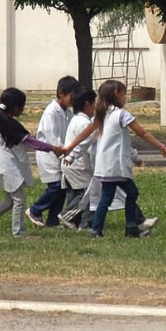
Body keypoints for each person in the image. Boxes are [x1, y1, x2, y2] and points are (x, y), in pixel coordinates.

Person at [61, 79, 166, 238]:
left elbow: (85, 136)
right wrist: (162, 147)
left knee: (116, 196)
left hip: (105, 166)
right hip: (115, 166)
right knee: (122, 194)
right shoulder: (121, 114)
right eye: (124, 94)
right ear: (117, 94)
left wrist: (70, 149)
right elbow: (141, 132)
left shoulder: (102, 115)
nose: (125, 97)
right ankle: (122, 228)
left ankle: (111, 228)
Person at [0, 88, 58, 237]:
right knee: (19, 199)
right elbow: (32, 142)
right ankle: (18, 233)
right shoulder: (9, 124)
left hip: (5, 166)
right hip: (8, 167)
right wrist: (53, 148)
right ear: (16, 108)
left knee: (10, 201)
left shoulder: (1, 122)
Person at [27, 76, 80, 228]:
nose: (72, 100)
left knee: (62, 189)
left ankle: (53, 220)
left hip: (62, 154)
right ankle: (35, 210)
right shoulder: (51, 112)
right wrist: (65, 150)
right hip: (49, 155)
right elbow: (51, 136)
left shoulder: (68, 114)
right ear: (62, 94)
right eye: (71, 96)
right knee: (56, 186)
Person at [57, 86, 98, 229]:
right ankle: (73, 217)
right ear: (88, 104)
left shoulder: (75, 119)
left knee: (74, 195)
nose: (95, 107)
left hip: (69, 164)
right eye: (94, 103)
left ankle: (73, 222)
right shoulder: (85, 124)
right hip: (77, 165)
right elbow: (84, 144)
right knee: (89, 194)